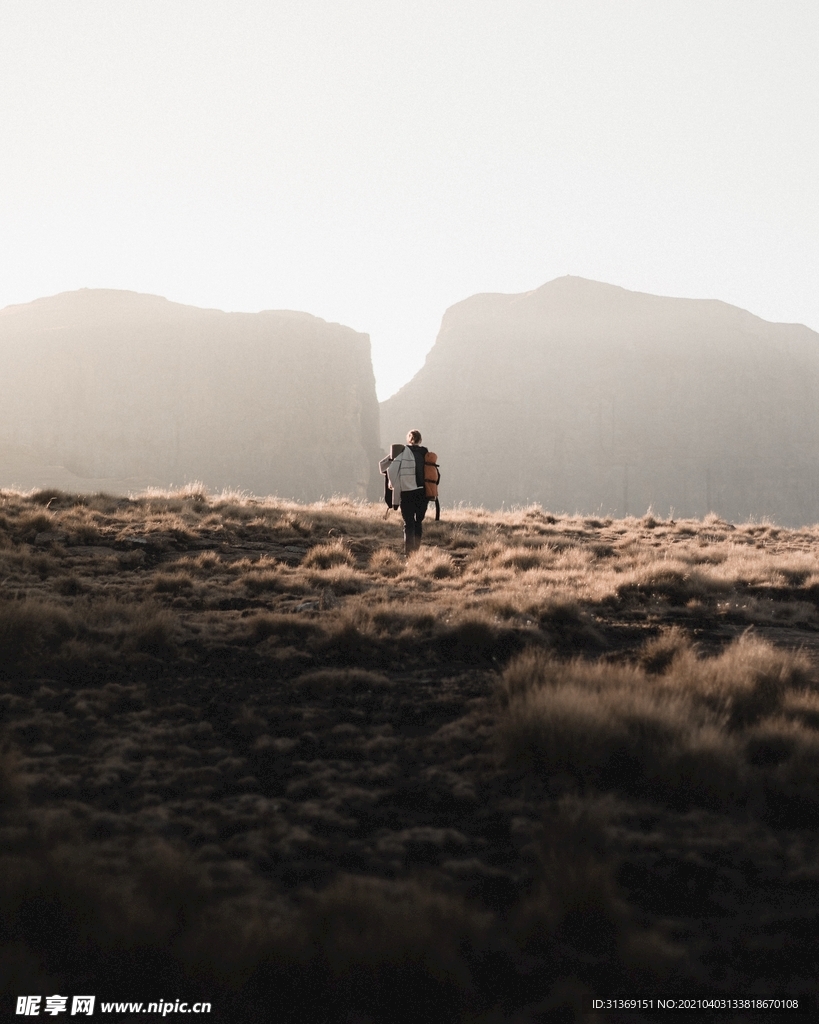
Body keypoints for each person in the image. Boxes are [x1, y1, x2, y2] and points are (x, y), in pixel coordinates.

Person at [387, 429, 428, 556]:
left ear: (409, 439)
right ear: (420, 440)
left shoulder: (403, 452)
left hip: (407, 493)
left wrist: (392, 484)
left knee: (408, 523)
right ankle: (416, 551)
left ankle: (409, 553)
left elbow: (391, 470)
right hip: (423, 493)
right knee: (418, 522)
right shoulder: (425, 453)